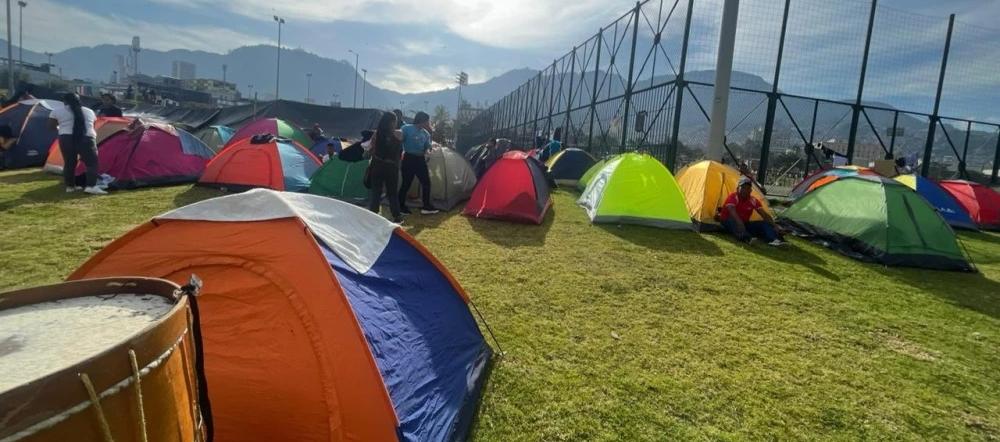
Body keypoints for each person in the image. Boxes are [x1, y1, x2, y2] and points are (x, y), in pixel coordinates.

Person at [49, 93, 105, 195]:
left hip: (66, 138)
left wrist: (62, 129)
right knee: (91, 163)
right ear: (79, 101)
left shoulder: (56, 111)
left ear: (64, 101)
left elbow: (51, 127)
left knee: (69, 163)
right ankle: (91, 186)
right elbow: (92, 125)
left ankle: (70, 187)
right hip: (86, 138)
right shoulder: (89, 111)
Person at [397, 111, 439, 215]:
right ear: (422, 120)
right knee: (406, 183)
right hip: (408, 158)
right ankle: (400, 206)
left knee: (426, 183)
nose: (428, 123)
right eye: (427, 121)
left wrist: (429, 151)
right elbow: (399, 140)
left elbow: (427, 147)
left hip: (420, 160)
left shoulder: (426, 133)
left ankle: (426, 207)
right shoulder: (406, 128)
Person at [720, 176, 782, 246]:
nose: (745, 190)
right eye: (743, 188)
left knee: (764, 223)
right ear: (737, 189)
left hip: (744, 223)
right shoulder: (733, 197)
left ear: (751, 191)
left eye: (748, 188)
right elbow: (732, 212)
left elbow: (764, 214)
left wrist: (775, 225)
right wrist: (740, 223)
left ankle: (774, 239)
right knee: (732, 221)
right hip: (729, 221)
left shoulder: (753, 200)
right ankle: (747, 238)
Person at [367, 112, 403, 223]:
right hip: (392, 167)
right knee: (392, 193)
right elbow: (400, 151)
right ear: (393, 122)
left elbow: (371, 149)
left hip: (377, 165)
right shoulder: (399, 134)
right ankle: (397, 216)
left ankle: (373, 215)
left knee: (376, 191)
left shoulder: (376, 134)